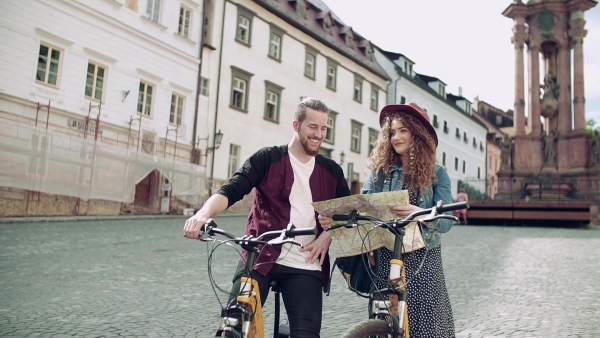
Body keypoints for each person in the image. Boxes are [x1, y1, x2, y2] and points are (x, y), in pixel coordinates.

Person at [183, 97, 350, 338]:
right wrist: (202, 215)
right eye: (313, 127)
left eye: (324, 128)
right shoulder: (267, 158)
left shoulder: (332, 171)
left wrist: (327, 236)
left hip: (305, 263)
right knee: (234, 326)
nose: (319, 134)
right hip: (259, 256)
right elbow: (231, 190)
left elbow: (345, 214)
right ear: (296, 125)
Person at [321, 102, 455, 337]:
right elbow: (363, 206)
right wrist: (337, 219)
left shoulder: (437, 174)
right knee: (386, 321)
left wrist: (419, 212)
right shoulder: (380, 171)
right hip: (387, 257)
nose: (396, 137)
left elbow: (445, 221)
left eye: (403, 130)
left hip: (422, 260)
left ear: (417, 133)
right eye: (392, 132)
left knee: (425, 324)